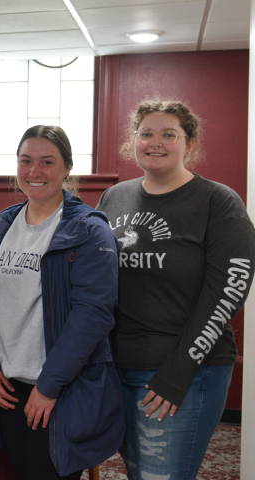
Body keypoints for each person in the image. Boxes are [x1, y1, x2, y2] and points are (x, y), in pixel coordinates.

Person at [96, 100, 255, 479]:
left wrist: (177, 372)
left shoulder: (218, 201)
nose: (156, 142)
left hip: (186, 372)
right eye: (146, 133)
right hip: (118, 367)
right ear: (132, 141)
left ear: (191, 144)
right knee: (137, 471)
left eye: (169, 134)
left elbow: (228, 293)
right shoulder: (114, 197)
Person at [0, 125, 125, 480]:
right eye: (26, 161)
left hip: (61, 388)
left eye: (47, 161)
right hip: (9, 387)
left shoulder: (89, 230)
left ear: (67, 168)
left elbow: (92, 316)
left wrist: (48, 386)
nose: (34, 172)